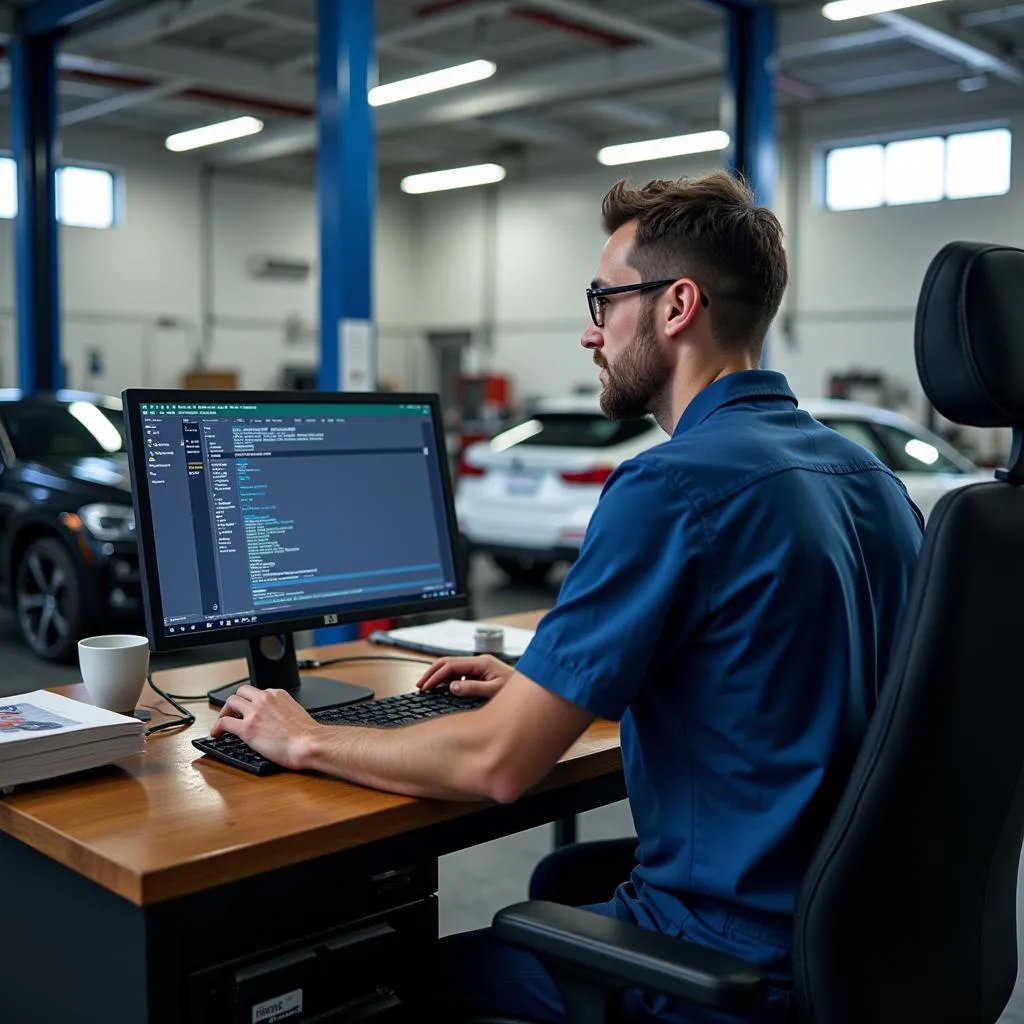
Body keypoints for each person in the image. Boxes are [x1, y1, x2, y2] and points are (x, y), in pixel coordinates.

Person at [211, 171, 924, 1022]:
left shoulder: (670, 487)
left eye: (604, 299)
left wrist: (306, 740)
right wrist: (550, 685)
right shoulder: (871, 480)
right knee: (561, 881)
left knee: (392, 988)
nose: (591, 334)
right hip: (864, 938)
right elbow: (780, 677)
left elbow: (496, 765)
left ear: (676, 306)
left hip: (735, 962)